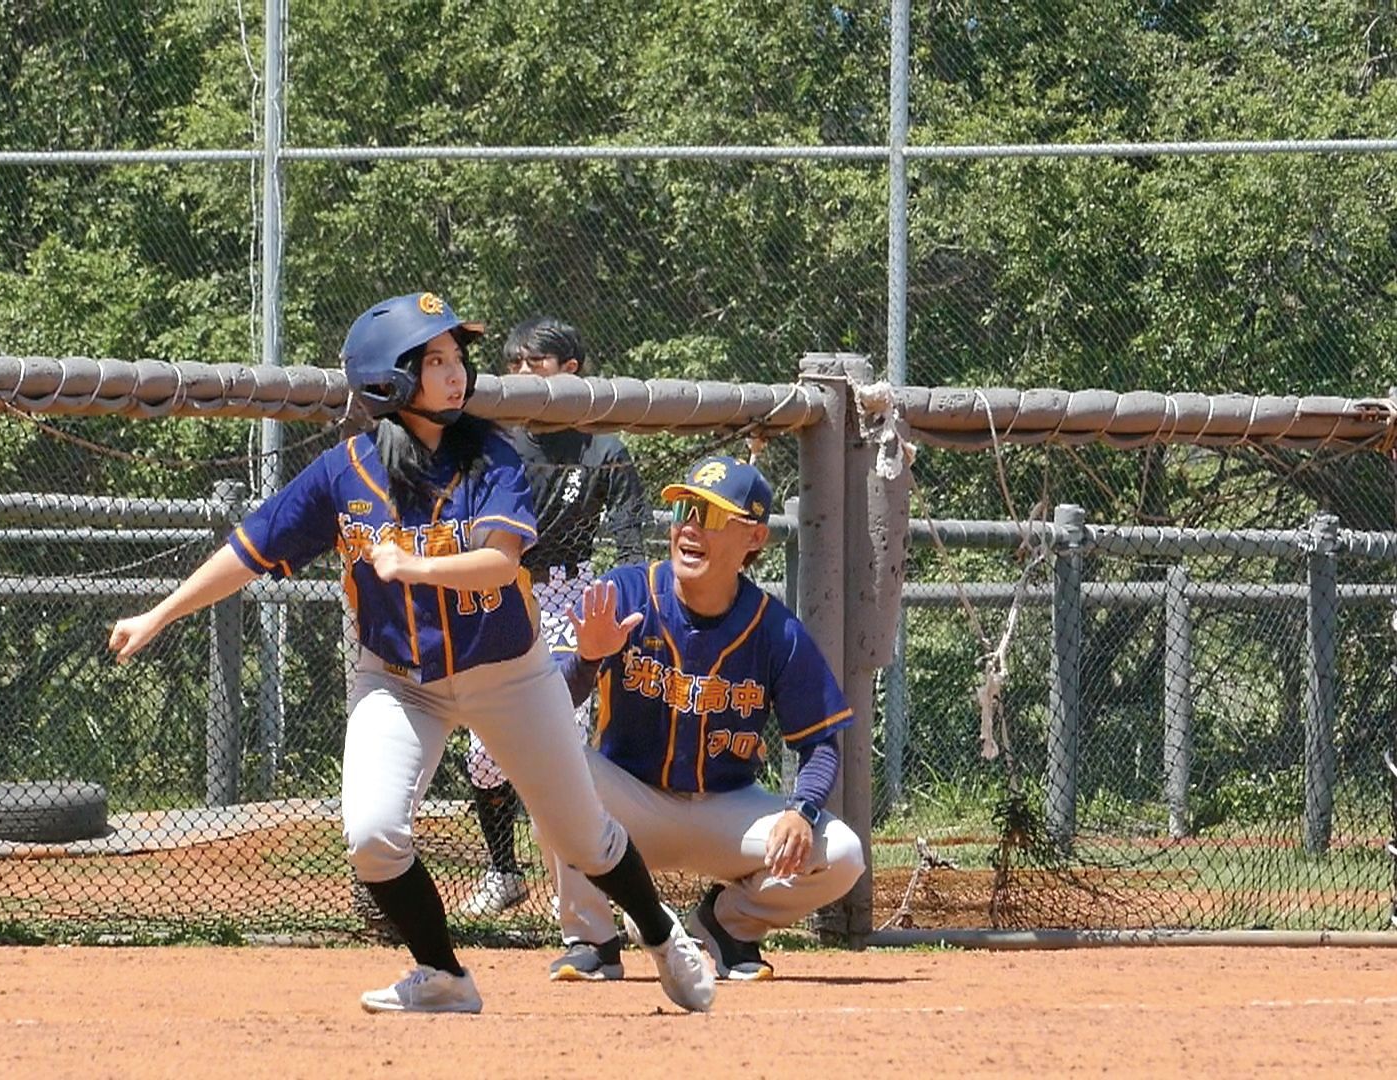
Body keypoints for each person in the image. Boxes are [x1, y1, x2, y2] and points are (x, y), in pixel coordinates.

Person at [108, 292, 714, 1015]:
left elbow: (498, 561)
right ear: (388, 378)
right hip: (398, 681)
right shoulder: (346, 473)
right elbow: (251, 548)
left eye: (457, 358)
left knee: (582, 837)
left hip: (507, 673)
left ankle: (659, 931)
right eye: (434, 360)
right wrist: (158, 613)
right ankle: (444, 975)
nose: (456, 373)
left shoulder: (492, 452)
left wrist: (413, 566)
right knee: (372, 836)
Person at [542, 454, 867, 982]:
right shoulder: (626, 592)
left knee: (844, 854)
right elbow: (546, 707)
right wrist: (586, 660)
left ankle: (727, 924)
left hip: (725, 814)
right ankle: (593, 938)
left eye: (711, 516)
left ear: (754, 540)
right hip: (628, 804)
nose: (690, 527)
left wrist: (801, 812)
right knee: (547, 760)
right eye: (684, 511)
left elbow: (821, 742)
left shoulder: (775, 630)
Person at [456, 317, 654, 917]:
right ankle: (504, 872)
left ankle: (580, 878)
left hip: (571, 594)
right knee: (484, 751)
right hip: (502, 592)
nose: (520, 375)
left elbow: (630, 544)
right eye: (512, 364)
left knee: (563, 740)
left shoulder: (603, 448)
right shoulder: (496, 441)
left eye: (534, 364)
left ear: (571, 371)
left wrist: (629, 606)